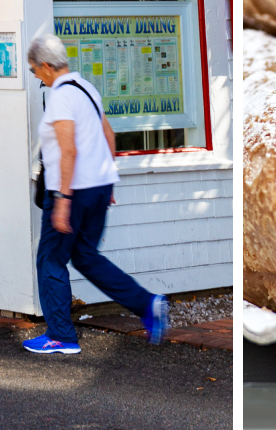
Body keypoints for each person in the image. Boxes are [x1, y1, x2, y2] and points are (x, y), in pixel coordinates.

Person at [23, 33, 169, 355]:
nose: (35, 76)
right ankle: (148, 305)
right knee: (86, 256)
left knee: (50, 258)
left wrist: (62, 201)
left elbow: (68, 151)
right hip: (98, 187)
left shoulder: (61, 97)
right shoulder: (87, 88)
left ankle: (61, 336)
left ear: (47, 66)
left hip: (71, 191)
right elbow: (108, 134)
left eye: (34, 70)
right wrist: (107, 181)